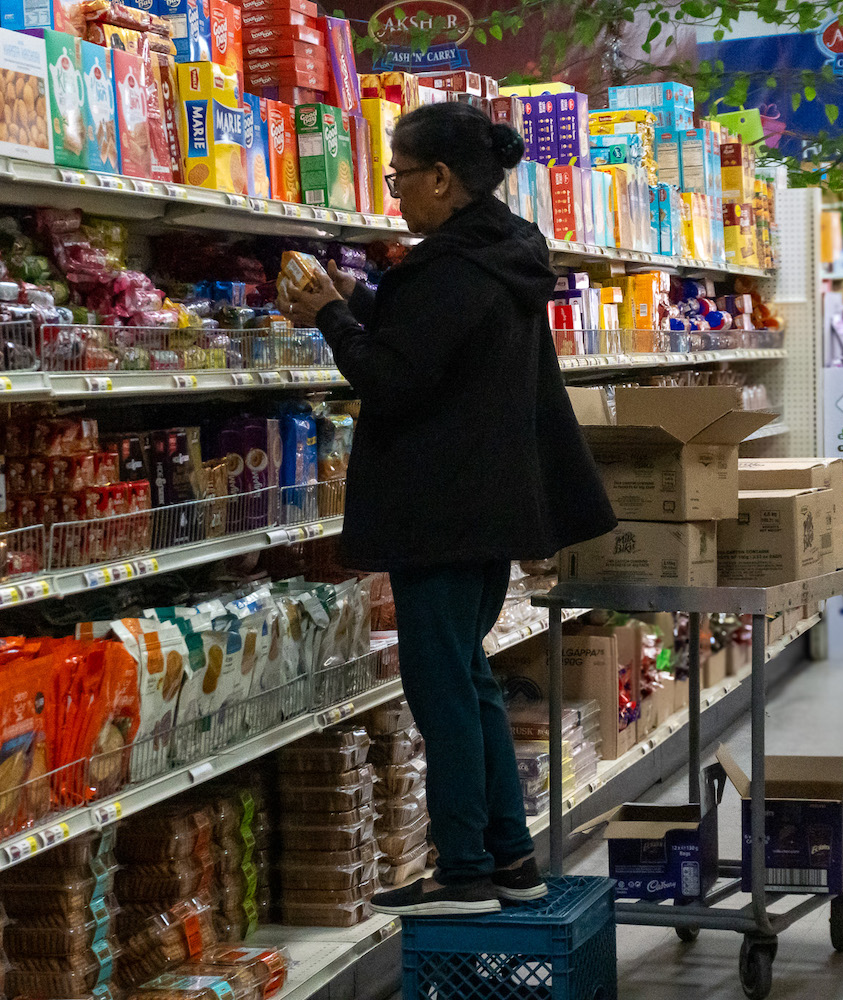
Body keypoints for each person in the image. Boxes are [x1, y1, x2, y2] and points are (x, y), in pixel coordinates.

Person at [277, 101, 615, 917]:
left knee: (443, 689)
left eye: (398, 176)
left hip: (441, 512)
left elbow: (391, 378)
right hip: (488, 507)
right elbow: (430, 349)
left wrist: (327, 313)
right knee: (471, 680)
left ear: (441, 178)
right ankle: (510, 860)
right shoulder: (502, 256)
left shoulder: (452, 271)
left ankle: (461, 870)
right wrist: (356, 298)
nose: (395, 192)